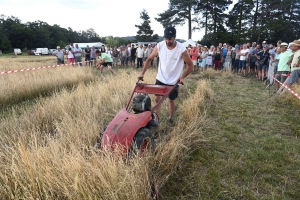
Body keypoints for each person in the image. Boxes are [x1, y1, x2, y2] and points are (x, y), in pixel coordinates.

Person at [138, 27, 193, 123]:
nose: (167, 41)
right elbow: (149, 59)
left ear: (175, 37)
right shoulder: (160, 46)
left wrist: (182, 77)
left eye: (170, 39)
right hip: (161, 77)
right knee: (157, 98)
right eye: (166, 38)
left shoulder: (181, 49)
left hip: (174, 80)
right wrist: (142, 73)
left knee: (171, 100)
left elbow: (190, 65)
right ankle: (156, 119)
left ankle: (171, 118)